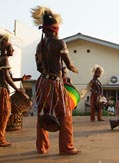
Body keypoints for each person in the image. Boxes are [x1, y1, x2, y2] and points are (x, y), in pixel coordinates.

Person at [31, 6, 80, 155]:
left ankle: (42, 147)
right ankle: (67, 148)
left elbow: (39, 68)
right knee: (65, 115)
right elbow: (69, 64)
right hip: (54, 83)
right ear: (55, 29)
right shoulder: (59, 43)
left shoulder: (40, 46)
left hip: (42, 82)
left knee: (43, 113)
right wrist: (72, 69)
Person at [0, 33, 31, 147]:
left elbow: (9, 77)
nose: (13, 50)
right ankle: (1, 139)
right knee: (5, 113)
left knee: (4, 114)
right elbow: (7, 78)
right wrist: (17, 89)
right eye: (11, 48)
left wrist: (21, 79)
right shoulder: (4, 59)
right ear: (7, 48)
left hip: (2, 89)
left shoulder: (2, 59)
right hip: (2, 90)